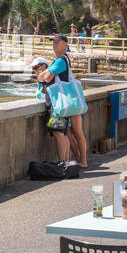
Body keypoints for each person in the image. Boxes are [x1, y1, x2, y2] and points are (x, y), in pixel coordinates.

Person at [41, 34, 88, 168]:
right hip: (71, 100)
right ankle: (80, 160)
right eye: (53, 42)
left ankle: (77, 161)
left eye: (57, 42)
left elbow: (46, 77)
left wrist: (42, 72)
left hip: (63, 102)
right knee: (75, 132)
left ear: (65, 45)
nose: (54, 44)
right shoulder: (64, 59)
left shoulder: (60, 60)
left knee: (66, 132)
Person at [31, 57, 73, 162]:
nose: (35, 70)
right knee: (63, 134)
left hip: (57, 107)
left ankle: (63, 163)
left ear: (44, 65)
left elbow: (44, 92)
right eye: (34, 69)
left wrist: (41, 75)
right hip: (62, 106)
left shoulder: (48, 75)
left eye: (36, 67)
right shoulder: (51, 73)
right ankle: (66, 163)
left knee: (59, 134)